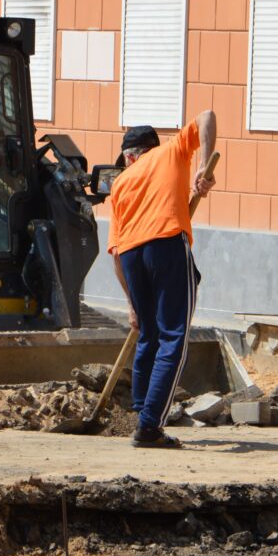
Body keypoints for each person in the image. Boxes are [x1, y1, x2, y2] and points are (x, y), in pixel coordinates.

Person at [108, 112, 216, 448]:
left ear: (129, 156)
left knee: (149, 334)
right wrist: (201, 164)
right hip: (166, 243)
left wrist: (131, 304)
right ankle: (150, 426)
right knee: (174, 337)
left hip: (130, 257)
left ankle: (140, 411)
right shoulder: (171, 151)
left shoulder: (119, 184)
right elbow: (208, 116)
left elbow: (114, 253)